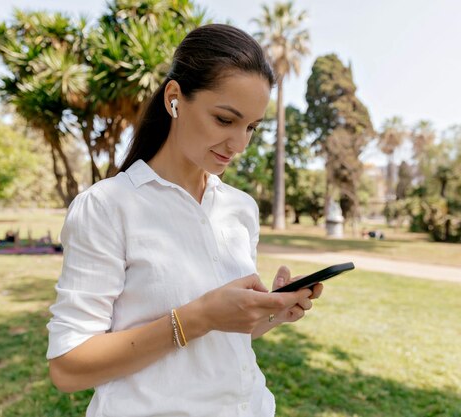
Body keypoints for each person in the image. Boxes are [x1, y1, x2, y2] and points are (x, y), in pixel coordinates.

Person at [46, 23, 323, 417]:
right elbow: (68, 367)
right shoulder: (108, 206)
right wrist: (200, 315)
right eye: (225, 120)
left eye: (251, 127)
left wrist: (270, 314)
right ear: (175, 98)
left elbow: (222, 341)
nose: (239, 144)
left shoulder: (240, 208)